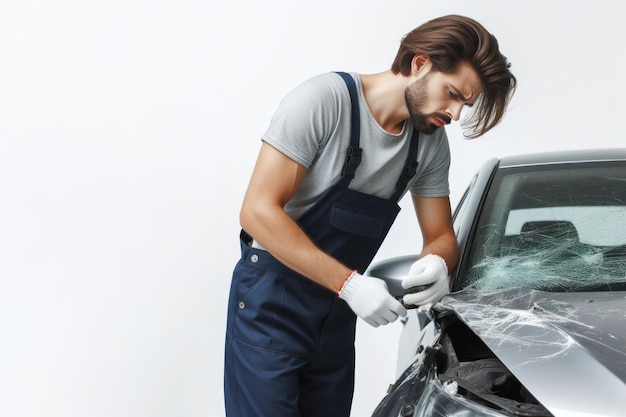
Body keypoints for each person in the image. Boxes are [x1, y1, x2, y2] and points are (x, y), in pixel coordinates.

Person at [224, 14, 516, 417]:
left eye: (464, 103)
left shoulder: (427, 145)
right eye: (451, 94)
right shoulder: (324, 102)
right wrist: (349, 286)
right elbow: (257, 210)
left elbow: (440, 235)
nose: (455, 114)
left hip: (335, 322)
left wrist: (438, 262)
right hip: (271, 308)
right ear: (420, 63)